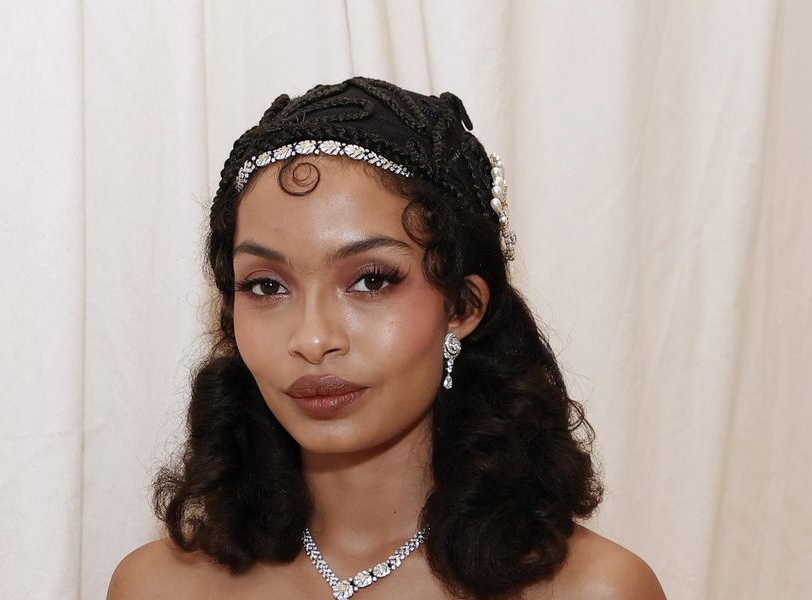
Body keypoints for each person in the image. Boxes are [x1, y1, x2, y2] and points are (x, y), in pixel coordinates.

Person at [109, 77, 665, 600]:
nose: (313, 339)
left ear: (462, 305)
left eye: (372, 280)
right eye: (266, 286)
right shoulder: (156, 587)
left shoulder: (594, 589)